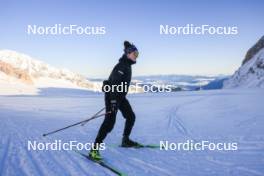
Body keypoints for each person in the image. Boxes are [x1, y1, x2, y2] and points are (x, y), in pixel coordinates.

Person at [89, 41, 140, 160]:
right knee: (109, 124)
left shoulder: (127, 65)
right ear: (128, 53)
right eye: (135, 53)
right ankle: (94, 150)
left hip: (120, 97)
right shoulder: (122, 66)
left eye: (137, 54)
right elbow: (113, 85)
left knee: (131, 116)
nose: (136, 56)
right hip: (112, 97)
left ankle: (125, 140)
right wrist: (112, 102)